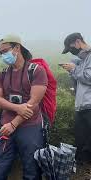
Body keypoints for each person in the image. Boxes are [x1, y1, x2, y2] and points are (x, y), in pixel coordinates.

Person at [0, 35, 48, 180]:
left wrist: (14, 123)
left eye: (5, 51)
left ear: (17, 48)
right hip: (6, 126)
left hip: (31, 127)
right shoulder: (2, 74)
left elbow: (33, 103)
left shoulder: (36, 71)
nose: (3, 55)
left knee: (32, 171)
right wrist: (17, 108)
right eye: (0, 53)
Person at [61, 32, 91, 164]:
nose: (71, 51)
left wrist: (74, 69)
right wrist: (73, 71)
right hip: (81, 105)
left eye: (71, 48)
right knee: (81, 140)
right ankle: (80, 167)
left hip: (89, 105)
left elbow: (89, 78)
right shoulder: (82, 59)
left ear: (78, 42)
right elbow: (80, 82)